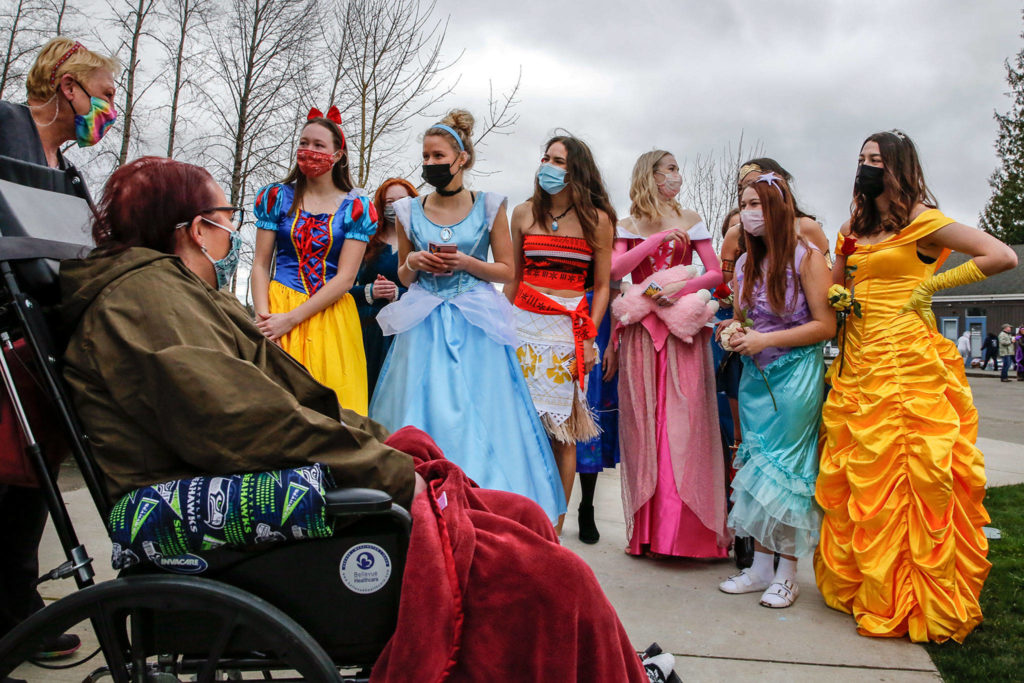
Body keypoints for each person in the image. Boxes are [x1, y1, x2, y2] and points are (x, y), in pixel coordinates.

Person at [58, 156, 671, 683]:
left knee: (524, 516)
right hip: (210, 503)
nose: (233, 232)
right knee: (550, 576)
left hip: (246, 466)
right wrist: (386, 466)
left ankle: (606, 664)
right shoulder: (144, 302)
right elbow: (239, 422)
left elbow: (279, 400)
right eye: (224, 219)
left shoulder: (175, 292)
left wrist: (384, 444)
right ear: (196, 230)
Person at [816, 130, 1017, 642]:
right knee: (865, 473)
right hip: (859, 360)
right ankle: (872, 584)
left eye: (876, 159)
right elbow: (838, 283)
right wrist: (841, 297)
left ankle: (916, 595)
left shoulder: (924, 221)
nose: (866, 166)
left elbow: (1001, 257)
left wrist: (933, 285)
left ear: (899, 167)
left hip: (907, 360)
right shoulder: (851, 227)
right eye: (861, 158)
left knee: (911, 470)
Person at [369, 111, 566, 523]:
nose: (429, 164)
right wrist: (417, 263)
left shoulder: (490, 205)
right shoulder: (407, 209)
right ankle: (418, 504)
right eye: (425, 156)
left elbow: (507, 270)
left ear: (461, 159)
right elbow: (403, 273)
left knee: (485, 409)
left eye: (438, 155)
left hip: (474, 322)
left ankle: (489, 502)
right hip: (423, 321)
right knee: (420, 408)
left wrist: (465, 262)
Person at [0, 37, 118, 669]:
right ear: (68, 88)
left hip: (38, 339)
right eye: (104, 94)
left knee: (32, 484)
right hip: (1, 327)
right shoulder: (3, 127)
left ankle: (15, 616)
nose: (111, 109)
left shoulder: (71, 173)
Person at [715, 173, 835, 608]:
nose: (749, 214)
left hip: (794, 377)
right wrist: (733, 329)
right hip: (754, 377)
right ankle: (760, 567)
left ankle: (788, 572)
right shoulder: (746, 263)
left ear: (779, 210)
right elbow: (748, 318)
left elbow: (826, 325)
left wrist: (766, 340)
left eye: (757, 205)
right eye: (745, 204)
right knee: (758, 470)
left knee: (788, 474)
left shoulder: (808, 257)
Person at [611, 149, 730, 559]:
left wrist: (678, 288)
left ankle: (685, 534)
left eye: (678, 168)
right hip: (643, 334)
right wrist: (659, 241)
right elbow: (614, 270)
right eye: (672, 169)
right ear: (652, 175)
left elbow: (715, 272)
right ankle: (647, 535)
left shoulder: (692, 219)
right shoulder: (625, 225)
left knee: (685, 426)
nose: (678, 175)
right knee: (646, 426)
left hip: (683, 335)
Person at [506, 135, 614, 536]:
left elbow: (602, 286)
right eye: (546, 158)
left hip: (567, 330)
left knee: (562, 434)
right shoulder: (522, 213)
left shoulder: (597, 219)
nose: (548, 166)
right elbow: (514, 277)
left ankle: (555, 527)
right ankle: (518, 517)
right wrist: (501, 328)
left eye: (558, 160)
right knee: (520, 426)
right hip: (523, 326)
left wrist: (589, 338)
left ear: (576, 169)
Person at [252, 107, 374, 414]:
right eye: (304, 143)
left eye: (319, 145)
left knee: (333, 408)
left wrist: (292, 319)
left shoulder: (356, 207)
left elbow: (346, 278)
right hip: (277, 307)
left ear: (338, 155)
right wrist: (265, 320)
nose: (309, 151)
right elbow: (259, 264)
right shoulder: (276, 197)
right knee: (276, 405)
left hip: (330, 315)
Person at [354, 178, 417, 399]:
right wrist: (369, 291)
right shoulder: (366, 241)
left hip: (406, 334)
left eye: (401, 200)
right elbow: (342, 287)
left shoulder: (421, 242)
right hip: (367, 332)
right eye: (389, 201)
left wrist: (397, 294)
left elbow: (432, 291)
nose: (395, 206)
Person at [732, 158, 830, 262]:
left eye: (752, 183)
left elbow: (827, 273)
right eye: (740, 188)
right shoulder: (734, 234)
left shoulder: (807, 227)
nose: (744, 191)